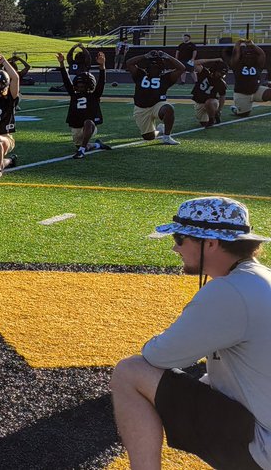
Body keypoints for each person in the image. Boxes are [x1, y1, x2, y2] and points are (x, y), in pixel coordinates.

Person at [110, 196, 270, 470]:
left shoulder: (229, 291)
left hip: (261, 449)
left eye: (181, 238)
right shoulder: (260, 278)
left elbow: (159, 355)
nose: (175, 247)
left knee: (130, 372)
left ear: (211, 242)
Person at [56, 50, 111, 158]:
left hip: (89, 126)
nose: (80, 88)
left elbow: (101, 82)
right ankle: (96, 145)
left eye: (83, 86)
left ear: (89, 86)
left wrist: (102, 66)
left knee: (88, 122)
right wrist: (62, 64)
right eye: (79, 85)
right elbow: (66, 80)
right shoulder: (73, 94)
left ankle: (81, 151)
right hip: (76, 126)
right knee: (83, 144)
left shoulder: (94, 95)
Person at [126, 50, 186, 145]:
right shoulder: (140, 74)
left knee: (168, 108)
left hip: (157, 105)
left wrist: (168, 56)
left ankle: (167, 137)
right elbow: (129, 63)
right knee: (149, 137)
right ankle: (159, 129)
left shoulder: (166, 78)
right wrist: (144, 55)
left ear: (161, 67)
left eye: (156, 65)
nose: (154, 66)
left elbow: (182, 68)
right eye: (152, 64)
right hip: (141, 108)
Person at [229, 39, 269, 118]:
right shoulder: (236, 64)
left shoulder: (258, 64)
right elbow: (235, 53)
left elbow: (262, 54)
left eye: (250, 55)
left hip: (256, 91)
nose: (248, 57)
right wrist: (238, 43)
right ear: (242, 56)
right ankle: (236, 109)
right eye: (246, 55)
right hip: (241, 94)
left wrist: (252, 45)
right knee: (243, 115)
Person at [191, 59, 229, 128]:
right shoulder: (204, 72)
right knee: (203, 123)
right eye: (220, 72)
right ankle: (212, 116)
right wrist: (215, 59)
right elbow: (194, 63)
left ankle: (212, 118)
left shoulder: (221, 83)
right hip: (199, 103)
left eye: (223, 73)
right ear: (214, 70)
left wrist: (219, 110)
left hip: (211, 103)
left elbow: (222, 97)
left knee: (209, 102)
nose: (221, 75)